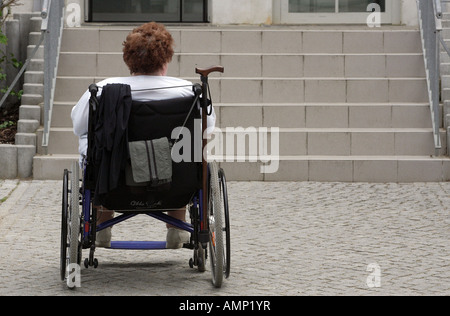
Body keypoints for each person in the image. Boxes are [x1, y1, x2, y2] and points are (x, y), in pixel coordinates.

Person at [71, 22, 216, 249]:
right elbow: (208, 130)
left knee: (98, 142)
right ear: (166, 59)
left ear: (128, 59)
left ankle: (102, 225)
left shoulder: (103, 91)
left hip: (115, 185)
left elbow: (79, 126)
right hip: (175, 184)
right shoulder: (189, 92)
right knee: (188, 147)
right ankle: (178, 227)